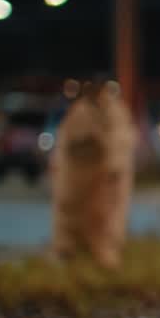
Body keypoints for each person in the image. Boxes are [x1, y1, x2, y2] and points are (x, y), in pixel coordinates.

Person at [51, 81, 135, 268]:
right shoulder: (81, 112)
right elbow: (72, 144)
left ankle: (104, 258)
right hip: (81, 174)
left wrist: (112, 167)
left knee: (105, 217)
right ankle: (71, 254)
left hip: (106, 175)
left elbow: (120, 143)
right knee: (74, 213)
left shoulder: (115, 112)